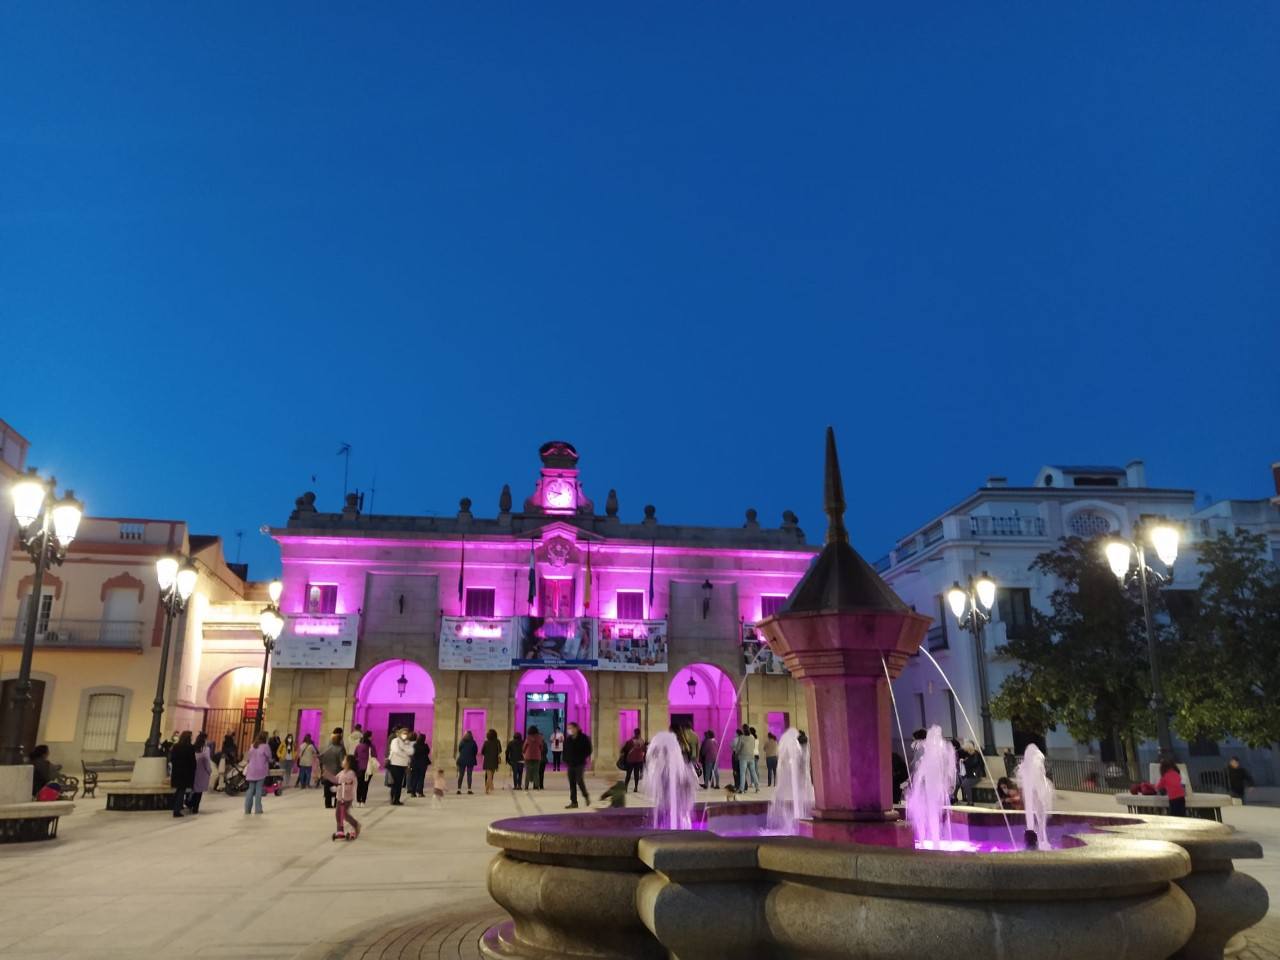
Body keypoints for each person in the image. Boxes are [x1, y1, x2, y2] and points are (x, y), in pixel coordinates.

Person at [563, 721, 592, 809]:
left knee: (579, 780)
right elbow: (565, 750)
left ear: (576, 728)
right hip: (570, 763)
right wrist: (565, 760)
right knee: (572, 783)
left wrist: (582, 757)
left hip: (580, 763)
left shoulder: (583, 738)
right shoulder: (568, 739)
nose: (569, 730)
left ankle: (586, 796)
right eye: (568, 728)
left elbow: (589, 749)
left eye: (571, 728)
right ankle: (574, 802)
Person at [244, 731, 273, 814]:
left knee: (250, 789)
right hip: (261, 770)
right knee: (258, 789)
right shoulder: (265, 746)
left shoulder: (252, 745)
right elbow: (269, 757)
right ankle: (258, 809)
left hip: (251, 769)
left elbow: (248, 757)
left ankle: (247, 809)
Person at [168, 731, 196, 818]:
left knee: (179, 789)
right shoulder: (190, 747)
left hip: (177, 771)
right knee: (181, 791)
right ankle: (177, 810)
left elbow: (172, 759)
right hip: (185, 772)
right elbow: (192, 761)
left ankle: (174, 805)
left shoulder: (176, 746)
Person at [333, 755, 361, 840]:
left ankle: (356, 825)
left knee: (344, 814)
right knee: (338, 814)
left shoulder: (351, 773)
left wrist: (338, 787)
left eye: (344, 760)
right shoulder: (342, 772)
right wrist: (326, 775)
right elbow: (335, 779)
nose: (342, 761)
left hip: (347, 798)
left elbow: (348, 786)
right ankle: (340, 831)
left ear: (348, 763)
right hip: (340, 797)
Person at [188, 732, 213, 813]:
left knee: (194, 790)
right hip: (202, 772)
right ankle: (195, 808)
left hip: (193, 771)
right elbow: (207, 761)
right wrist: (209, 771)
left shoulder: (193, 748)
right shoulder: (206, 749)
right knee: (199, 792)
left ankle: (190, 804)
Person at [319, 732, 346, 809]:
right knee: (338, 788)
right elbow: (342, 762)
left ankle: (328, 804)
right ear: (340, 740)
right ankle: (336, 804)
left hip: (327, 771)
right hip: (336, 772)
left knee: (327, 788)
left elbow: (320, 758)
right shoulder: (340, 749)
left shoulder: (326, 748)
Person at [387, 727, 413, 805]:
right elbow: (396, 750)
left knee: (399, 784)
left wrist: (404, 751)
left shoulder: (407, 742)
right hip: (395, 764)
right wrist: (404, 754)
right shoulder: (395, 741)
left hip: (403, 765)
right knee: (395, 783)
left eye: (406, 733)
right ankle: (393, 799)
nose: (405, 735)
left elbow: (410, 751)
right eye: (403, 733)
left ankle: (397, 799)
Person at [354, 731, 376, 804]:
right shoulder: (371, 746)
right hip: (368, 768)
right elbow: (375, 756)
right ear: (369, 737)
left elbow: (355, 756)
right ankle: (363, 801)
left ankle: (358, 801)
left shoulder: (358, 746)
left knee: (359, 784)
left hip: (359, 767)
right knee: (365, 785)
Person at [736, 726, 759, 793]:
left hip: (743, 758)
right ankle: (757, 787)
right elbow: (754, 746)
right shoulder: (752, 737)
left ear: (743, 730)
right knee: (753, 772)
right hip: (751, 757)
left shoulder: (741, 738)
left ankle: (741, 789)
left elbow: (738, 748)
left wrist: (736, 753)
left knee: (743, 773)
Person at [456, 730, 478, 794]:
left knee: (461, 775)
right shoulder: (473, 742)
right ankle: (469, 789)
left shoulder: (462, 741)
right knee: (469, 775)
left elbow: (459, 749)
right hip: (470, 760)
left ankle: (459, 789)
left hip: (462, 759)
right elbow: (475, 751)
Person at [481, 730, 502, 794]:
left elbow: (482, 751)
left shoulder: (486, 742)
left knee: (489, 775)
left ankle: (487, 789)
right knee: (491, 775)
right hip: (494, 760)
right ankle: (488, 788)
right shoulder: (497, 742)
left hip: (487, 760)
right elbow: (500, 750)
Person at [730, 727, 743, 793]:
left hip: (735, 755)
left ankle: (737, 785)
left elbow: (731, 746)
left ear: (737, 733)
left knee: (735, 770)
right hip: (742, 756)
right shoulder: (743, 738)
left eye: (735, 732)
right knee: (741, 771)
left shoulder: (735, 739)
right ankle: (742, 785)